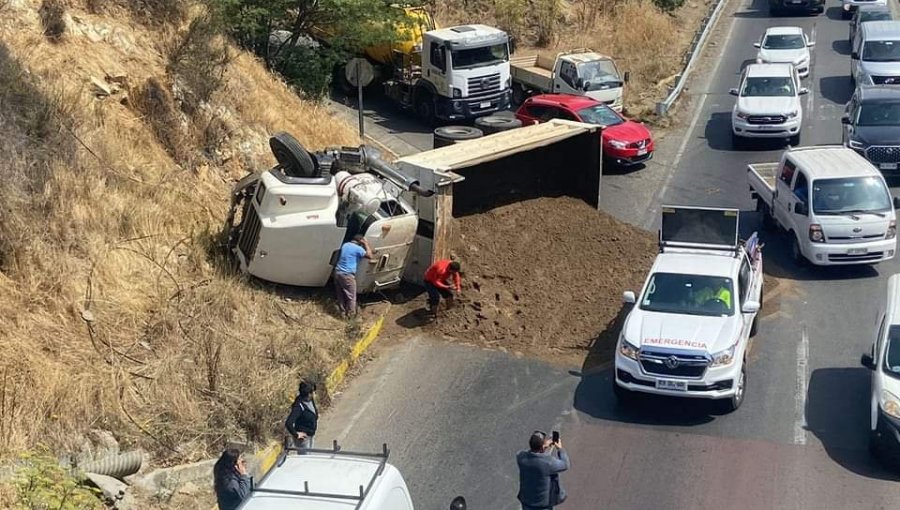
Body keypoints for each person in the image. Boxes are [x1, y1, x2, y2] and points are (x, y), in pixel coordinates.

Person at [517, 431, 569, 510]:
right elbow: (565, 464)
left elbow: (530, 453)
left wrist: (543, 446)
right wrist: (560, 449)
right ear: (542, 447)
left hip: (526, 502)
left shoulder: (521, 457)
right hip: (542, 505)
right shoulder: (547, 463)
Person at [333, 235, 373, 318]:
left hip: (337, 272)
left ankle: (342, 313)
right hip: (347, 275)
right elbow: (370, 256)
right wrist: (366, 244)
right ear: (361, 241)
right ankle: (351, 316)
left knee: (340, 295)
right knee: (351, 296)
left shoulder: (345, 245)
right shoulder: (358, 249)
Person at [285, 381, 318, 450]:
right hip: (304, 439)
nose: (315, 393)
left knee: (311, 455)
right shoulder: (298, 407)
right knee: (305, 459)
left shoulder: (310, 399)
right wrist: (296, 434)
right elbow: (288, 423)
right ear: (309, 394)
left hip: (310, 434)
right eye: (313, 392)